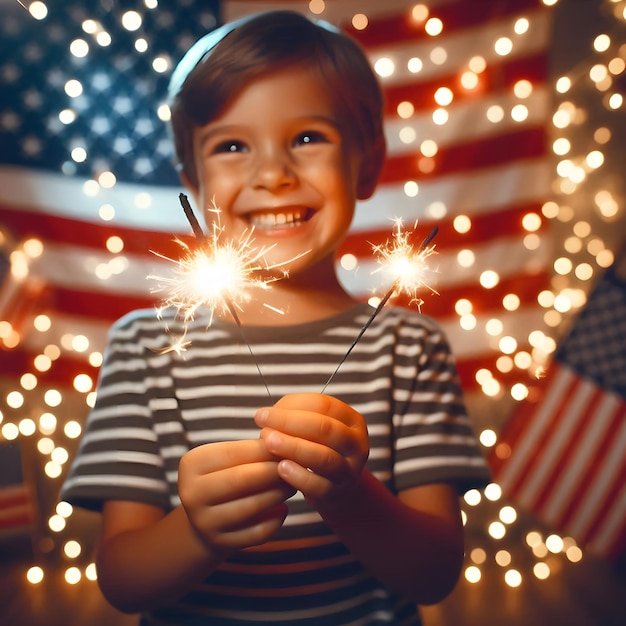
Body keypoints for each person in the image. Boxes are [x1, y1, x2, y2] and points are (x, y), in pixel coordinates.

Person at [61, 10, 491, 625]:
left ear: (368, 164)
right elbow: (124, 582)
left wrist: (350, 497)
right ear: (193, 180)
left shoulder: (409, 345)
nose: (273, 174)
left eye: (308, 137)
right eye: (232, 146)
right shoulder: (148, 345)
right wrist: (197, 533)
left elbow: (434, 574)